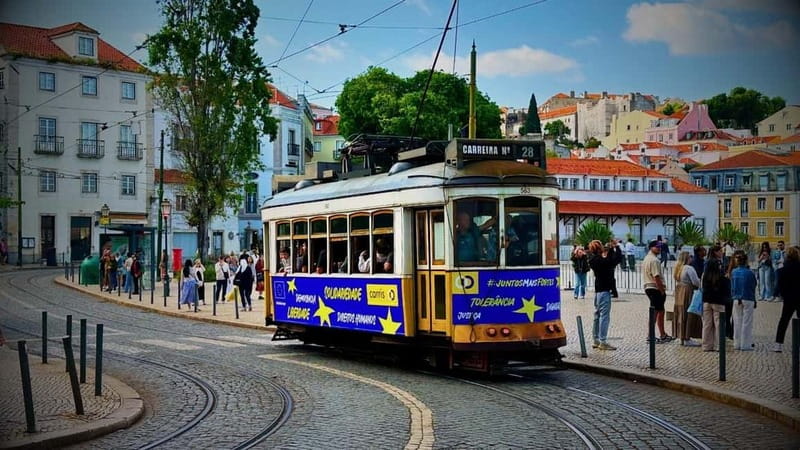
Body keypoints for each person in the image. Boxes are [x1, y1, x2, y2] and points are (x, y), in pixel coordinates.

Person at [588, 239, 622, 350]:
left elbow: (609, 260)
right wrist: (615, 248)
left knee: (597, 316)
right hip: (604, 291)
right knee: (604, 316)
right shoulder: (600, 261)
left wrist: (610, 251)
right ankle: (603, 341)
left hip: (598, 291)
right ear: (599, 248)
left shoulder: (593, 259)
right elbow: (614, 260)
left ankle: (596, 339)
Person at [702, 245, 729, 352]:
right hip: (718, 301)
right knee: (719, 324)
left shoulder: (706, 274)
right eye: (720, 251)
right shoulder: (720, 276)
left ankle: (706, 345)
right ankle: (719, 345)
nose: (722, 252)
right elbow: (725, 288)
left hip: (707, 299)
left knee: (707, 324)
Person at [643, 239, 672, 343]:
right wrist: (661, 290)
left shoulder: (647, 258)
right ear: (651, 247)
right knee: (655, 312)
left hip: (649, 287)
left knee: (660, 311)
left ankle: (662, 334)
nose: (659, 248)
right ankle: (650, 336)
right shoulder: (654, 260)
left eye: (660, 247)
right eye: (657, 247)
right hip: (655, 288)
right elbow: (656, 276)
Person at [773, 246, 800, 352]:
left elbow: (780, 286)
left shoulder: (782, 270)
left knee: (784, 321)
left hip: (789, 299)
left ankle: (778, 344)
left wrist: (784, 296)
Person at [673, 251, 701, 346]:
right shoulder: (689, 268)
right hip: (687, 291)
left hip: (679, 290)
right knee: (688, 312)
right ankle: (687, 336)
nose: (691, 259)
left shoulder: (678, 268)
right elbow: (695, 281)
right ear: (687, 258)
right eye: (690, 257)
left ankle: (681, 335)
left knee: (680, 312)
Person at [730, 252, 757, 351]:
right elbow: (754, 285)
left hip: (736, 298)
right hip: (748, 297)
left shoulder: (733, 272)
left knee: (737, 321)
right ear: (746, 261)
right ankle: (745, 344)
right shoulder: (750, 272)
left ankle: (736, 343)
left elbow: (731, 285)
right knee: (747, 322)